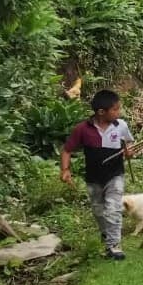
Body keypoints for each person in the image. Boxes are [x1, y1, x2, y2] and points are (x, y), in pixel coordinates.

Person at [60, 90, 134, 260]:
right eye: (115, 109)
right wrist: (65, 170)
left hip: (115, 175)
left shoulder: (120, 126)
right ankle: (106, 235)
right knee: (98, 211)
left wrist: (129, 152)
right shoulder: (82, 129)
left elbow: (129, 144)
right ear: (101, 112)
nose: (118, 112)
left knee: (114, 208)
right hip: (93, 178)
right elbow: (67, 150)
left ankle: (114, 246)